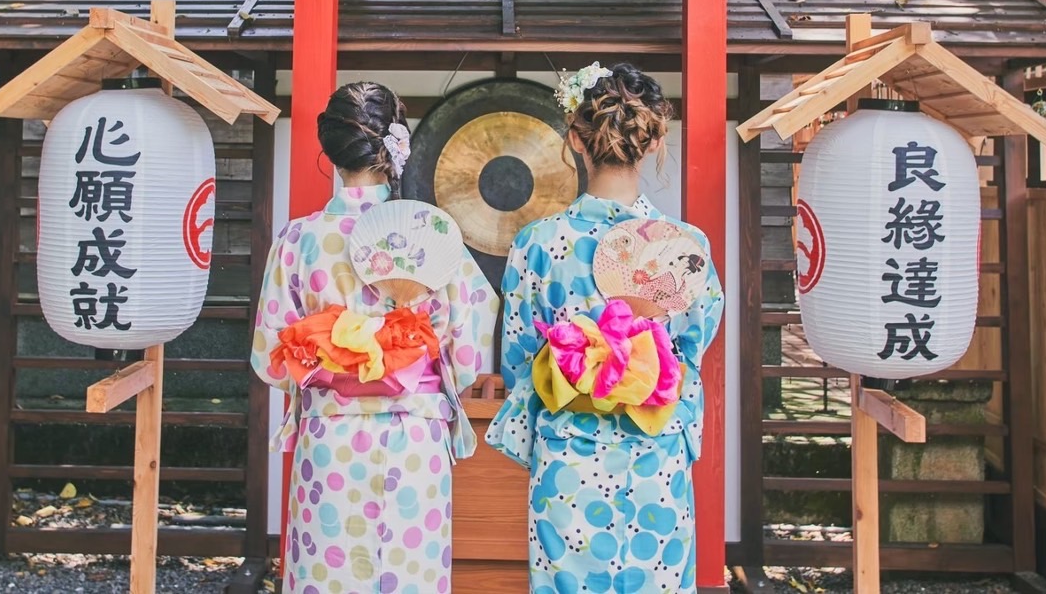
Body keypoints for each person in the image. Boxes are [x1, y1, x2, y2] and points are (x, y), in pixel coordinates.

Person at [487, 62, 725, 594]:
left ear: (575, 138)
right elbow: (691, 348)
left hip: (568, 448)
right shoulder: (684, 245)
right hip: (654, 447)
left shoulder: (537, 243)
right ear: (654, 137)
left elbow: (520, 357)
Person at [251, 82, 497, 594]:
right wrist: (404, 357)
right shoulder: (435, 233)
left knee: (329, 572)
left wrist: (336, 355)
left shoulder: (299, 239)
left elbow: (271, 359)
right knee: (412, 574)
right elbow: (469, 355)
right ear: (394, 146)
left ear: (331, 150)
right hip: (414, 436)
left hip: (331, 436)